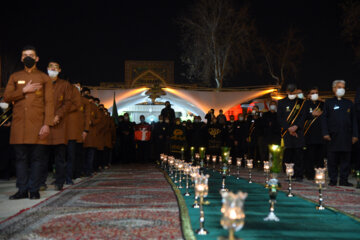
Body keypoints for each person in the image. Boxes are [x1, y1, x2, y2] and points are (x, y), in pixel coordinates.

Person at [4, 45, 54, 199]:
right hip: (19, 126)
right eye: (25, 55)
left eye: (31, 55)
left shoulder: (44, 78)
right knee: (20, 160)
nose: (28, 58)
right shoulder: (14, 76)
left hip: (38, 125)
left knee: (37, 159)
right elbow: (6, 97)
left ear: (37, 58)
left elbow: (49, 103)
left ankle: (34, 189)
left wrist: (47, 124)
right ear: (21, 58)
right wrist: (23, 91)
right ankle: (22, 190)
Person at [42, 61, 73, 191]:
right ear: (47, 69)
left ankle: (59, 182)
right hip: (43, 125)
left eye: (55, 67)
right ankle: (40, 182)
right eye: (50, 67)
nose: (53, 69)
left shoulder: (65, 85)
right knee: (42, 157)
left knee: (60, 157)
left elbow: (67, 103)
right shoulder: (42, 83)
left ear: (59, 70)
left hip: (59, 125)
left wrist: (57, 116)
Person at [321, 80, 358, 186]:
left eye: (343, 87)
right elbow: (324, 119)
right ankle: (333, 179)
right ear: (333, 89)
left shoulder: (349, 103)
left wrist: (355, 135)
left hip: (347, 136)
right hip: (332, 136)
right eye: (338, 87)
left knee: (346, 160)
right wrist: (325, 133)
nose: (341, 89)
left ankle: (343, 180)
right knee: (332, 159)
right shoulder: (328, 102)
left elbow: (354, 120)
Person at [277, 84, 306, 181]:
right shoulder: (281, 102)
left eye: (293, 92)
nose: (292, 93)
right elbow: (280, 118)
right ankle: (290, 174)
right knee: (289, 154)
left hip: (298, 132)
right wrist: (288, 128)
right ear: (287, 92)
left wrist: (296, 127)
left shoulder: (301, 102)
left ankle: (299, 175)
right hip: (287, 132)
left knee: (299, 153)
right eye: (290, 92)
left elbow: (303, 117)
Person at [66, 82, 90, 180]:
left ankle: (76, 173)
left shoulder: (84, 101)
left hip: (79, 131)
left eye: (78, 87)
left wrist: (86, 130)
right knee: (67, 154)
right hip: (66, 131)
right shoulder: (67, 100)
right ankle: (66, 175)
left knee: (77, 154)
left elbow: (87, 116)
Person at [303, 87, 324, 180]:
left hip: (320, 135)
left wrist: (322, 100)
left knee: (320, 157)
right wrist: (312, 115)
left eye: (316, 93)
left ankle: (320, 174)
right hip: (309, 135)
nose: (315, 94)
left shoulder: (322, 104)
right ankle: (310, 175)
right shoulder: (305, 104)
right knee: (310, 156)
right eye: (312, 93)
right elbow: (302, 117)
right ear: (308, 95)